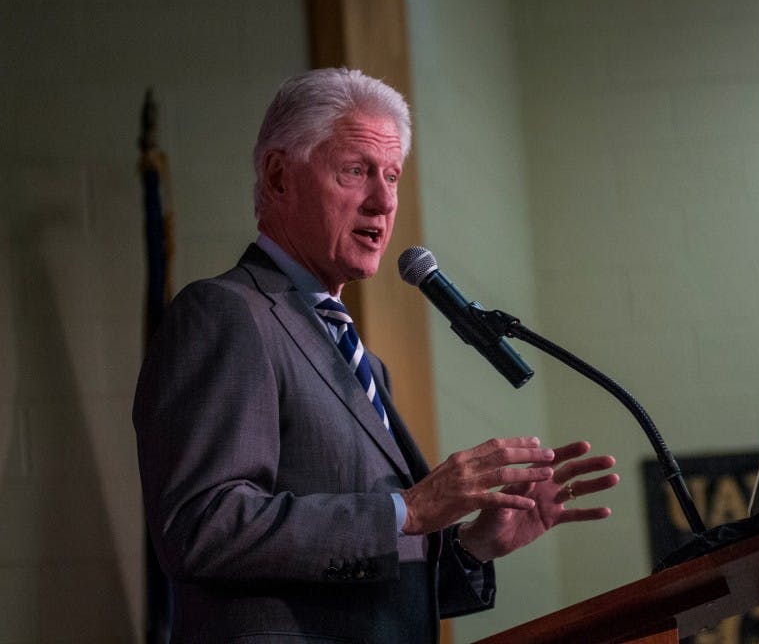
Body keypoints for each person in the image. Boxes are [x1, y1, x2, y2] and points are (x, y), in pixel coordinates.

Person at [133, 67, 619, 643]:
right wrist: (407, 510)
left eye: (391, 176)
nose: (384, 201)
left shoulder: (362, 361)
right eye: (356, 171)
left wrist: (472, 545)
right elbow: (201, 527)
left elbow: (371, 592)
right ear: (279, 176)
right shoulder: (225, 314)